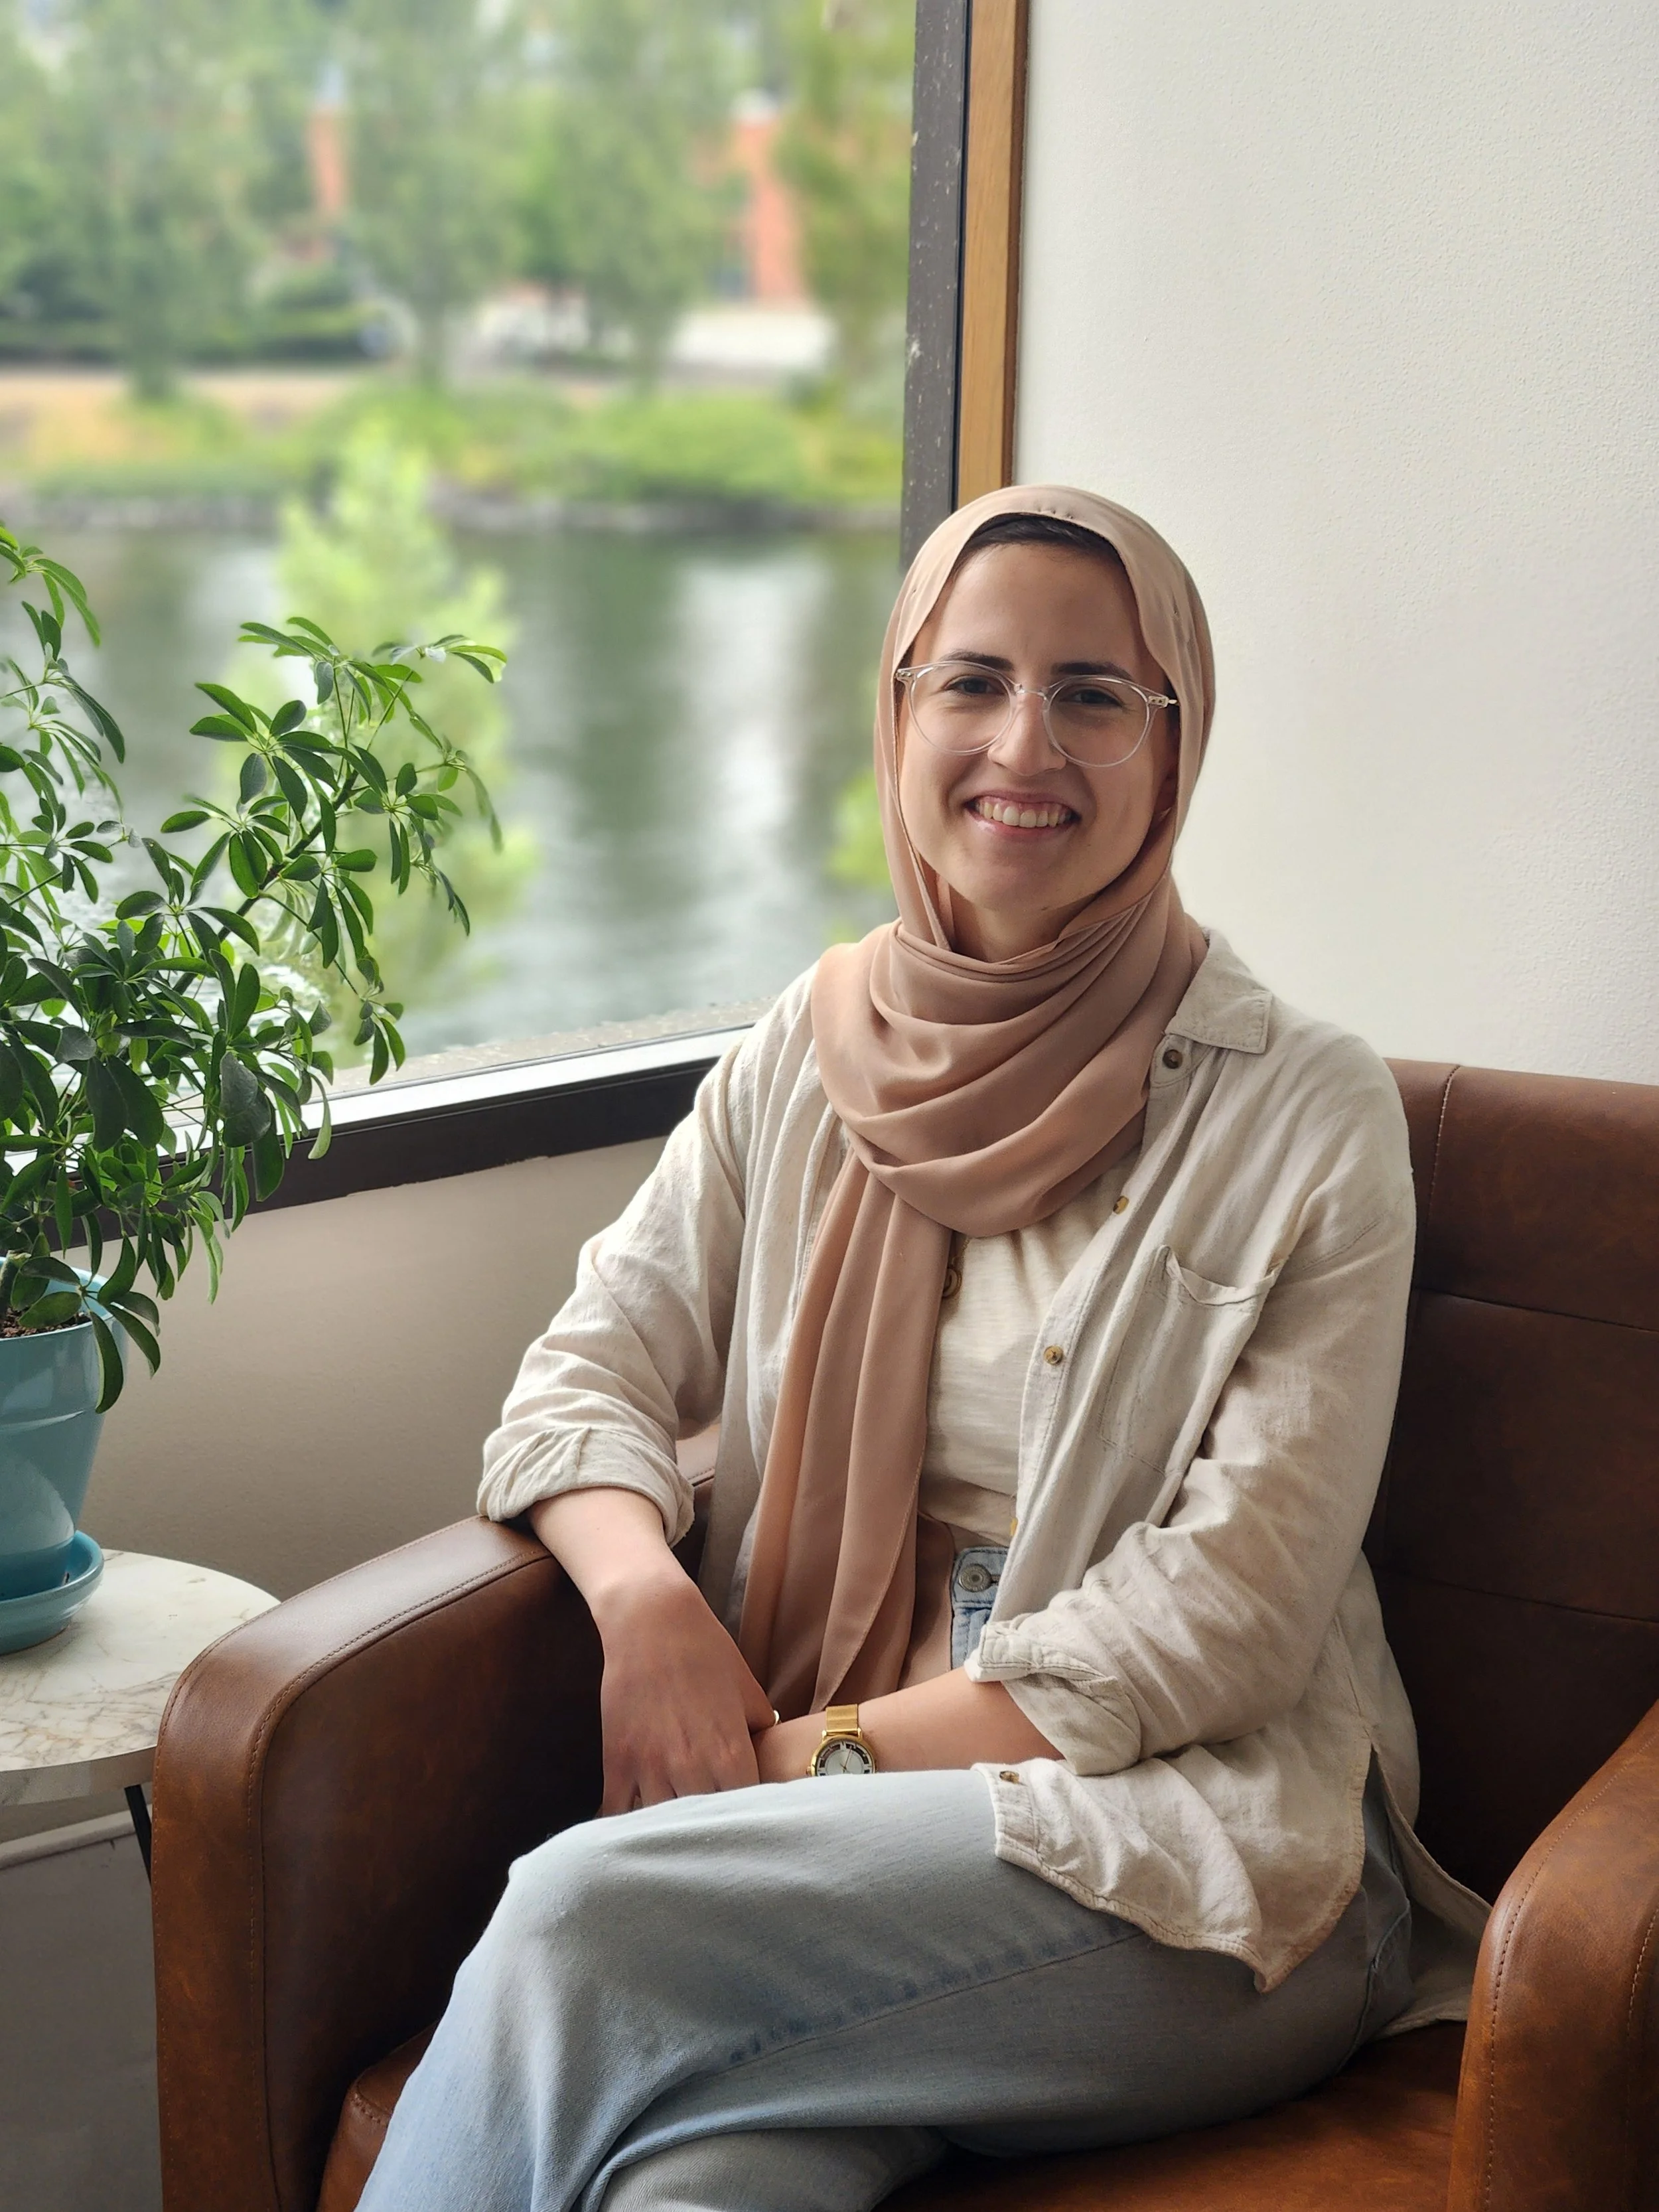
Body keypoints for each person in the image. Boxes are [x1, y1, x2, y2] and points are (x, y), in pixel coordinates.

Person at [359, 487, 1484, 2212]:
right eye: (971, 681)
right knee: (697, 2189)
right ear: (897, 718)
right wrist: (646, 1600)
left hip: (1196, 1868)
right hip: (847, 1863)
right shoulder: (800, 1055)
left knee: (581, 1907)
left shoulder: (1299, 1106)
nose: (1022, 740)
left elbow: (1229, 1621)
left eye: (1094, 693)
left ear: (1173, 745)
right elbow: (582, 1367)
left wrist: (814, 1761)